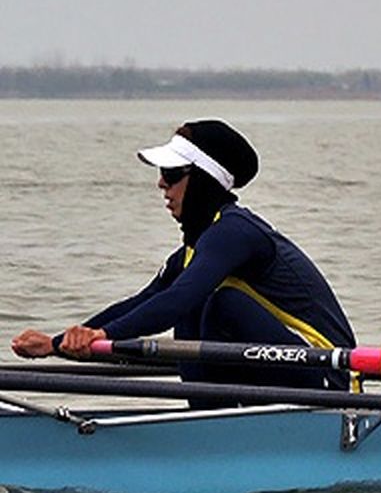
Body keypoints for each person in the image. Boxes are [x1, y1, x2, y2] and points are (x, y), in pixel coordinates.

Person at [10, 119, 355, 399]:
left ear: (204, 181)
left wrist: (99, 334)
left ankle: (210, 428)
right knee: (195, 306)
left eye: (172, 174)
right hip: (286, 373)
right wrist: (62, 343)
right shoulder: (196, 250)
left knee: (219, 304)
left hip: (328, 376)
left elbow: (177, 301)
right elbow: (144, 302)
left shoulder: (235, 233)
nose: (161, 184)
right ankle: (206, 422)